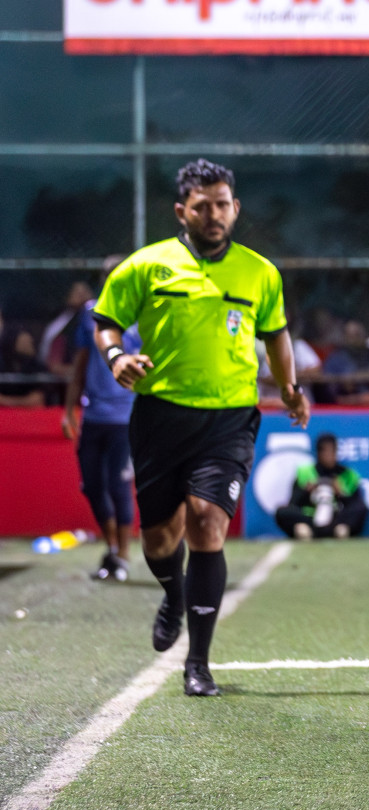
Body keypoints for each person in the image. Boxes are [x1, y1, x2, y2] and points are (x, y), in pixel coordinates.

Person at [90, 159, 309, 697]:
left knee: (208, 523)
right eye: (204, 205)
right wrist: (117, 356)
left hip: (229, 418)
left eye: (224, 204)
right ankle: (172, 592)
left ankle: (199, 663)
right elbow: (105, 322)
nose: (215, 214)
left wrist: (289, 388)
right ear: (182, 210)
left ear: (235, 208)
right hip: (160, 416)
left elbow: (276, 335)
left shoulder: (260, 272)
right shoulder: (146, 266)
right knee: (161, 539)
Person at [62, 268, 138, 582]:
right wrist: (69, 410)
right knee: (92, 485)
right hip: (93, 415)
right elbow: (81, 363)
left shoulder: (143, 314)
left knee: (118, 485)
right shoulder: (91, 313)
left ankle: (123, 555)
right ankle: (111, 547)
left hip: (126, 417)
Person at [275, 433, 368, 540]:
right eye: (325, 451)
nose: (329, 456)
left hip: (336, 519)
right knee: (282, 511)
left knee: (362, 509)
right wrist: (307, 492)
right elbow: (293, 503)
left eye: (332, 451)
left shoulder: (347, 474)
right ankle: (306, 530)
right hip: (310, 519)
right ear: (319, 453)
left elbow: (356, 503)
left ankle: (340, 530)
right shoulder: (305, 473)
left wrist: (340, 493)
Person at [0, 325, 52, 408]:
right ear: (13, 343)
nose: (30, 342)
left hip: (31, 416)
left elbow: (38, 401)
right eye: (25, 341)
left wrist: (8, 402)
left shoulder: (38, 368)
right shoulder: (2, 365)